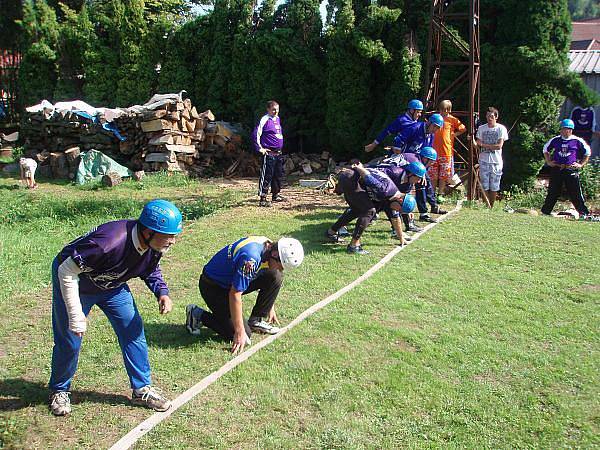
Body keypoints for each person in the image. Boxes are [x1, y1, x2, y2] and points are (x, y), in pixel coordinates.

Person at [48, 199, 183, 416]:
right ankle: (59, 389)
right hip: (77, 283)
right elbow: (66, 271)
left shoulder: (153, 244)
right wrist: (75, 315)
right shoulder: (108, 242)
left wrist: (162, 292)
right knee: (70, 339)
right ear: (148, 231)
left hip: (112, 285)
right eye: (169, 235)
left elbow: (149, 268)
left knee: (132, 330)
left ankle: (142, 389)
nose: (173, 241)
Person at [186, 237, 304, 354]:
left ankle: (255, 320)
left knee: (275, 276)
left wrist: (269, 306)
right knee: (243, 335)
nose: (281, 269)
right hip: (214, 287)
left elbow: (265, 271)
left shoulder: (267, 246)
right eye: (281, 265)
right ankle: (197, 314)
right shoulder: (250, 259)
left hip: (229, 282)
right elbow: (235, 294)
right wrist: (239, 331)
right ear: (275, 253)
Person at [325, 162, 416, 254]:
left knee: (357, 210)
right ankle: (354, 246)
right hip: (350, 178)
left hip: (350, 179)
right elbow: (368, 177)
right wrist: (359, 168)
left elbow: (395, 219)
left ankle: (331, 232)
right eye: (399, 209)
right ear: (400, 201)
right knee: (369, 211)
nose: (398, 211)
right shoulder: (386, 191)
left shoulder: (392, 198)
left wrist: (401, 239)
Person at [541, 119, 591, 217]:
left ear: (571, 130)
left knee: (575, 192)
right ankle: (546, 211)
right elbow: (545, 149)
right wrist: (549, 161)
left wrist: (581, 164)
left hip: (570, 168)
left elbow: (587, 152)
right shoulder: (556, 140)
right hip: (558, 168)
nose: (565, 131)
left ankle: (583, 213)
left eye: (568, 129)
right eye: (563, 129)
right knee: (553, 191)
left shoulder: (577, 141)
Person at [254, 100, 286, 207]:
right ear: (268, 109)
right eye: (273, 109)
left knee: (278, 175)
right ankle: (263, 198)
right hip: (269, 153)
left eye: (277, 109)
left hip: (278, 153)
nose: (275, 111)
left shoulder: (277, 119)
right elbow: (256, 133)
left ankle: (275, 195)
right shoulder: (264, 119)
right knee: (267, 175)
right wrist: (260, 148)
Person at [475, 107, 509, 207]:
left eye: (491, 116)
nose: (489, 118)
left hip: (496, 161)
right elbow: (477, 143)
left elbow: (499, 146)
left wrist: (484, 145)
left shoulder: (501, 128)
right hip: (483, 160)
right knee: (484, 185)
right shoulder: (482, 128)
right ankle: (486, 205)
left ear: (496, 117)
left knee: (494, 185)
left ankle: (491, 205)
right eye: (488, 116)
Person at [431, 100, 466, 194]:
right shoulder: (436, 118)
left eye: (444, 110)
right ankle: (432, 193)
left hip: (446, 152)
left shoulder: (452, 119)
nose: (442, 112)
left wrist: (454, 134)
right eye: (441, 110)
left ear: (449, 110)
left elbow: (463, 128)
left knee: (443, 176)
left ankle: (440, 193)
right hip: (433, 152)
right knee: (433, 175)